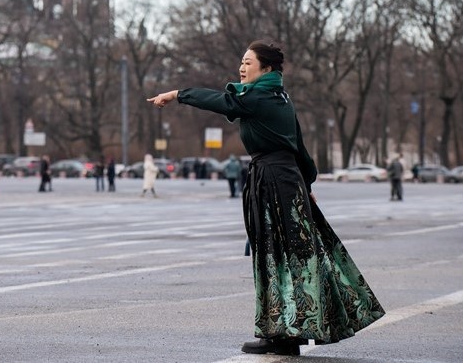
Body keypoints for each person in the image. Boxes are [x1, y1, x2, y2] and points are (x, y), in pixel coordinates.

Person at [148, 40, 384, 355]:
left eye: (248, 62)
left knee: (274, 256)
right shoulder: (280, 97)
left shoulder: (258, 98)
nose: (242, 67)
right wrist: (307, 184)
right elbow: (299, 148)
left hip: (273, 181)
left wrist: (178, 94)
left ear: (266, 68)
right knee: (286, 256)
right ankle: (285, 333)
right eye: (242, 62)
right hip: (285, 180)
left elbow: (222, 102)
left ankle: (282, 334)